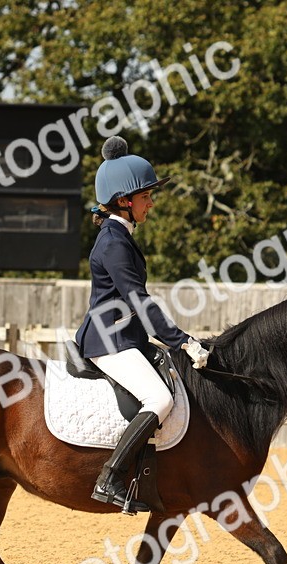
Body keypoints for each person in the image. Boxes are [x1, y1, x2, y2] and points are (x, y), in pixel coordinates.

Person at [74, 136, 210, 513]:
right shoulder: (114, 242)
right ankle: (110, 477)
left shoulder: (120, 235)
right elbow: (138, 299)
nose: (151, 202)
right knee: (160, 398)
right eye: (146, 196)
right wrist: (180, 340)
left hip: (124, 335)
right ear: (124, 202)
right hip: (108, 340)